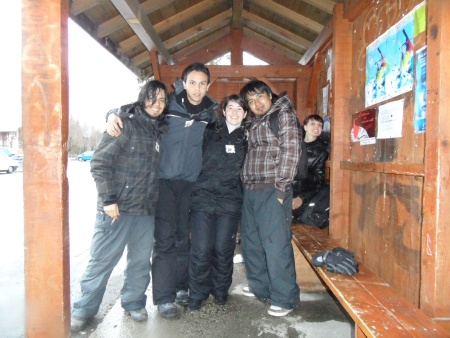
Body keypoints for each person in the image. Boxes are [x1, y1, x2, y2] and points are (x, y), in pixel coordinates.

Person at [106, 63, 218, 318]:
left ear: (208, 86)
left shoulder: (210, 113)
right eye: (193, 82)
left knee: (183, 239)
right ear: (184, 82)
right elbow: (133, 110)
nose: (197, 88)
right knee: (165, 240)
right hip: (164, 183)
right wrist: (112, 114)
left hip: (190, 184)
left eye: (203, 83)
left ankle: (181, 286)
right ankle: (164, 298)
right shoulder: (168, 106)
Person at [71, 80, 169, 332]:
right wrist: (108, 200)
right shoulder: (123, 123)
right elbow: (99, 163)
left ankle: (134, 301)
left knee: (139, 262)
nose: (157, 105)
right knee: (102, 261)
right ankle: (83, 309)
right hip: (117, 209)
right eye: (152, 98)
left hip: (145, 212)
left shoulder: (158, 129)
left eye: (162, 100)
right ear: (142, 98)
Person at [239, 80, 300, 317]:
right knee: (251, 243)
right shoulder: (254, 122)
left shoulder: (283, 115)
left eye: (259, 97)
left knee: (276, 245)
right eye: (251, 102)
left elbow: (291, 150)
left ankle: (285, 298)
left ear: (269, 95)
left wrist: (282, 189)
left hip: (273, 189)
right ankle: (260, 287)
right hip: (251, 189)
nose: (256, 103)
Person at [187, 95, 248, 310]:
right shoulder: (210, 130)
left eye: (239, 109)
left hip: (230, 202)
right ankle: (197, 292)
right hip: (202, 198)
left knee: (223, 248)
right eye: (230, 107)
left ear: (245, 113)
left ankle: (220, 289)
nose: (234, 112)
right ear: (223, 110)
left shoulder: (247, 138)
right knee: (201, 248)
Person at [292, 114, 329, 219]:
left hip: (301, 194)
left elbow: (318, 182)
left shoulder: (321, 152)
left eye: (319, 125)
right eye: (312, 124)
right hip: (284, 191)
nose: (316, 127)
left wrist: (302, 198)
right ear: (305, 127)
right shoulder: (293, 144)